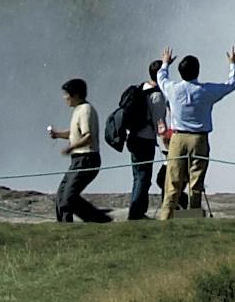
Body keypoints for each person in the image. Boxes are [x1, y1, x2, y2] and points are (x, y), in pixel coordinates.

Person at [158, 44, 235, 221]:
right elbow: (231, 84)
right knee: (195, 184)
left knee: (172, 183)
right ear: (198, 71)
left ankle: (166, 219)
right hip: (199, 139)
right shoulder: (206, 91)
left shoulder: (173, 89)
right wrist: (233, 64)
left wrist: (165, 63)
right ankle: (191, 219)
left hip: (177, 139)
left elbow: (161, 77)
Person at [110, 62, 167, 222]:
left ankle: (136, 211)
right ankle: (136, 213)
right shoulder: (157, 96)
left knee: (137, 175)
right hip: (145, 140)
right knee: (143, 177)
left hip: (132, 137)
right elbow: (160, 125)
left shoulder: (141, 88)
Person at [55, 77, 113, 222]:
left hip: (87, 158)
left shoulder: (86, 110)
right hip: (78, 159)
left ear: (75, 95)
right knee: (61, 195)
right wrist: (57, 134)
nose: (65, 98)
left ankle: (100, 220)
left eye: (66, 94)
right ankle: (63, 225)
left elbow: (88, 137)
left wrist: (71, 147)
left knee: (68, 197)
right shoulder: (78, 110)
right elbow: (74, 133)